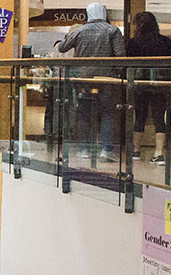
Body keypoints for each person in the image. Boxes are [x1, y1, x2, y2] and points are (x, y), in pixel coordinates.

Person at [58, 2, 125, 162]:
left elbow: (62, 48)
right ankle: (105, 149)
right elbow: (121, 56)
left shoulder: (80, 31)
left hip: (84, 78)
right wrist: (114, 70)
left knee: (84, 113)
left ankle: (84, 149)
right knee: (107, 113)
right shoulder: (112, 30)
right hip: (107, 79)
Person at [126, 12, 171, 165]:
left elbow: (127, 64)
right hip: (161, 84)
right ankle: (159, 153)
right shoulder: (165, 42)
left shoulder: (134, 43)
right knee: (160, 118)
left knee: (139, 116)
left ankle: (136, 151)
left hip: (141, 84)